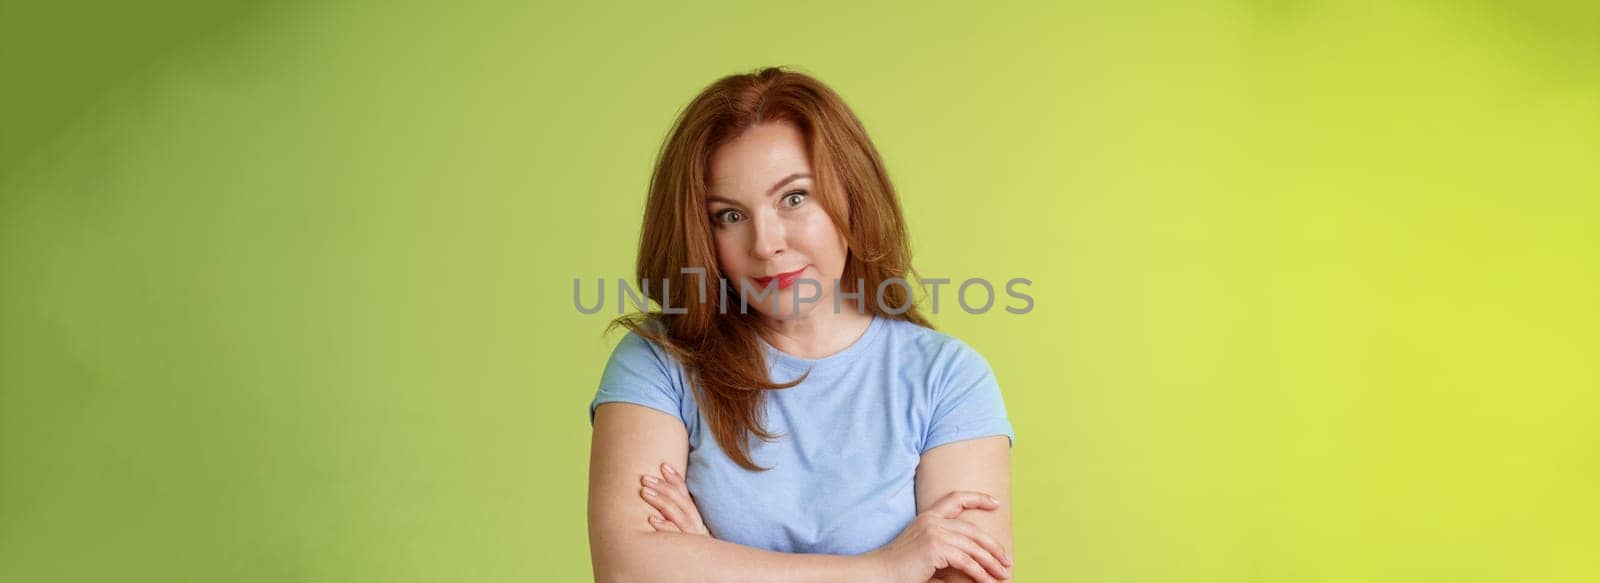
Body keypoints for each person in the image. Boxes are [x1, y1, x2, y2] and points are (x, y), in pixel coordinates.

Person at [586, 66, 1016, 583]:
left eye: (794, 197)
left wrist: (706, 561)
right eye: (729, 215)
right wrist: (883, 569)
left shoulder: (949, 378)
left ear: (851, 197)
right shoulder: (658, 361)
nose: (765, 243)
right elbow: (629, 570)